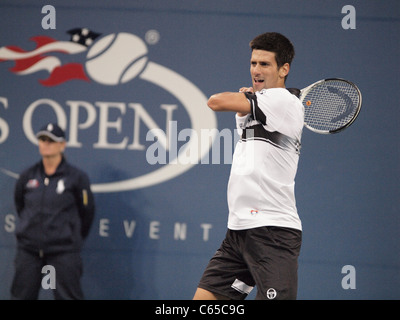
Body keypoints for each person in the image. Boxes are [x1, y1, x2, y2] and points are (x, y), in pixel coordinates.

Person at [193, 32, 304, 300]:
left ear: (283, 69)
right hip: (239, 231)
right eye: (253, 63)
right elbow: (246, 119)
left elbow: (215, 101)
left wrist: (247, 99)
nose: (256, 70)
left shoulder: (283, 101)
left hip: (272, 233)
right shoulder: (264, 102)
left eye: (265, 64)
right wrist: (247, 105)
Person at [11, 123, 95, 300]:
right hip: (29, 251)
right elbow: (20, 205)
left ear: (62, 145)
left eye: (51, 140)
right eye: (42, 139)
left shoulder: (76, 178)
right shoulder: (27, 176)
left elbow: (87, 212)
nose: (46, 144)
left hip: (63, 251)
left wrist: (69, 235)